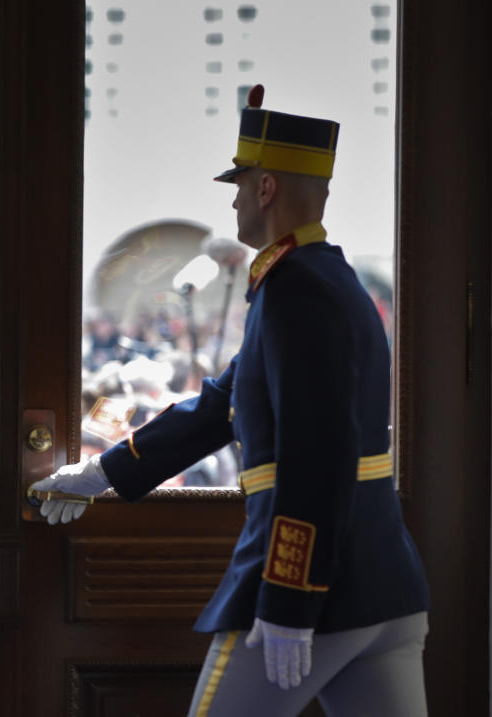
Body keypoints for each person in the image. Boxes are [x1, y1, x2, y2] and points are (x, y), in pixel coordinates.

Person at [29, 85, 430, 717]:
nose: (236, 199)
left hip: (317, 595)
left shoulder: (298, 288)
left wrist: (292, 599)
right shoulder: (324, 279)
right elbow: (221, 405)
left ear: (266, 189)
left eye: (240, 186)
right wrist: (105, 471)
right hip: (381, 589)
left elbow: (316, 457)